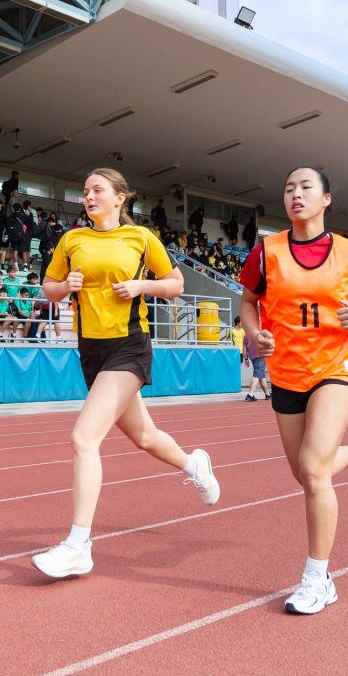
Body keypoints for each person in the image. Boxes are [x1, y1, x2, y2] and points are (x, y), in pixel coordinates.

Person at [30, 168, 218, 579]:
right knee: (145, 437)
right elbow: (49, 287)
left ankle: (79, 545)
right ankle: (194, 466)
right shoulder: (71, 240)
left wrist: (140, 288)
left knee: (84, 438)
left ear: (120, 198)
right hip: (90, 349)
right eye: (85, 192)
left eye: (98, 190)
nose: (89, 197)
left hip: (129, 345)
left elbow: (175, 283)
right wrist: (67, 287)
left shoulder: (140, 238)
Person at [238, 165, 348, 615]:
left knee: (313, 469)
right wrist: (254, 334)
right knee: (306, 473)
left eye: (306, 187)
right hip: (286, 371)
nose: (295, 194)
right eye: (288, 188)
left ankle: (317, 577)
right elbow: (247, 302)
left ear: (326, 199)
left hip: (335, 368)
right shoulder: (266, 252)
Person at [243, 331, 271, 401]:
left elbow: (244, 348)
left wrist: (246, 358)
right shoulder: (260, 333)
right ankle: (250, 394)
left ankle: (267, 394)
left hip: (252, 357)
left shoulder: (246, 335)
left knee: (261, 376)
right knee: (257, 375)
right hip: (260, 355)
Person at [7, 202, 31, 270]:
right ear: (20, 209)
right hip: (21, 235)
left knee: (15, 251)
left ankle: (16, 266)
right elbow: (30, 219)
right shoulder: (22, 215)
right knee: (23, 251)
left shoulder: (11, 216)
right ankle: (25, 266)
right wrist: (30, 212)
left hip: (14, 236)